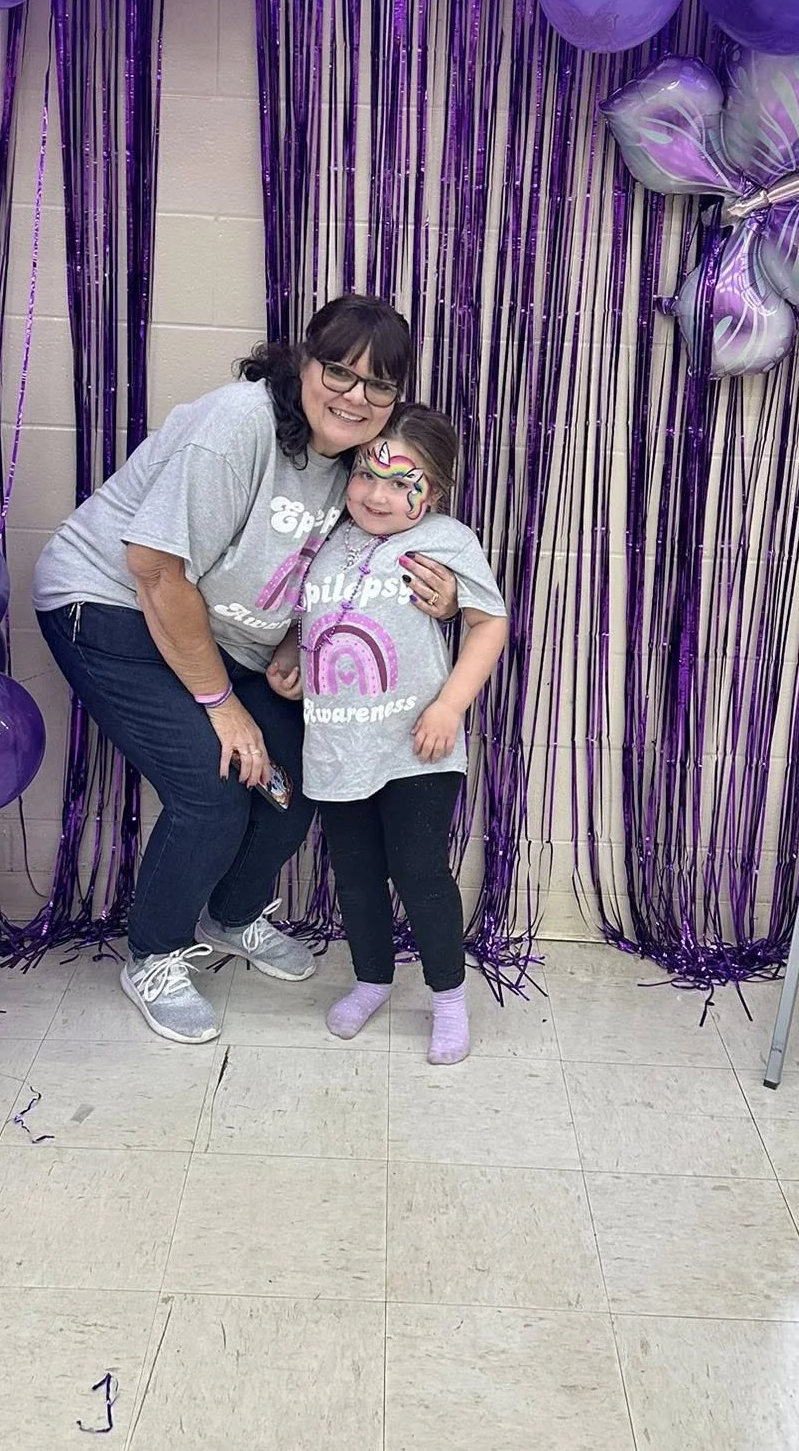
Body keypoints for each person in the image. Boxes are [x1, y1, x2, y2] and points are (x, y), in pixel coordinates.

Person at [34, 296, 459, 1045]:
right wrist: (222, 705)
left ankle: (229, 914)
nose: (355, 396)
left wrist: (445, 594)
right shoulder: (240, 423)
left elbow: (351, 559)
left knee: (299, 785)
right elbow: (155, 571)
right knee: (213, 789)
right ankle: (155, 953)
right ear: (304, 362)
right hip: (111, 606)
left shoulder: (358, 462)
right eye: (339, 371)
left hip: (228, 639)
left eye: (379, 385)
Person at [266, 406, 508, 1064]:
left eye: (405, 483)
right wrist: (291, 655)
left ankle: (448, 997)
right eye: (369, 475)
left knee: (419, 871)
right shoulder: (329, 538)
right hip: (338, 749)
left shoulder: (446, 540)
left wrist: (448, 708)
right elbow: (308, 614)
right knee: (357, 875)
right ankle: (372, 978)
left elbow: (490, 625)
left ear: (434, 491)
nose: (380, 495)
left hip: (417, 748)